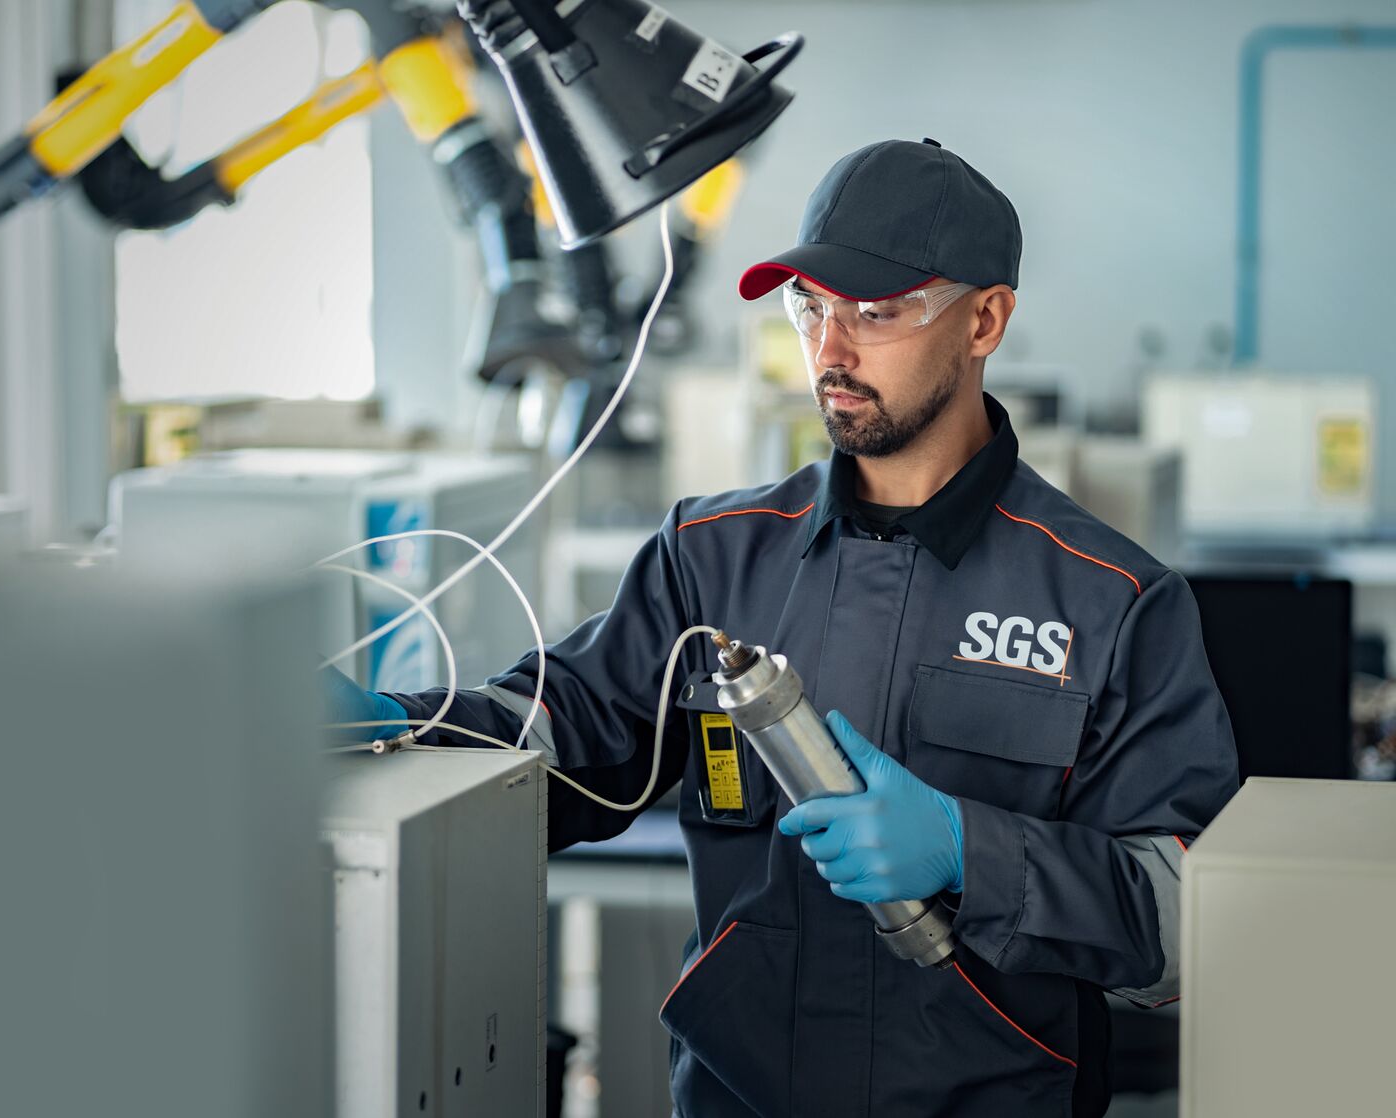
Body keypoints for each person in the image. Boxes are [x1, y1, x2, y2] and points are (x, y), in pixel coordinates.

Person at [329, 138, 1239, 1117]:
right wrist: (400, 727)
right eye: (808, 306)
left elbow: (1198, 922)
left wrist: (970, 850)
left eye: (876, 313)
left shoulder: (1109, 599)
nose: (829, 350)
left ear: (984, 319)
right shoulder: (714, 553)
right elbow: (566, 734)